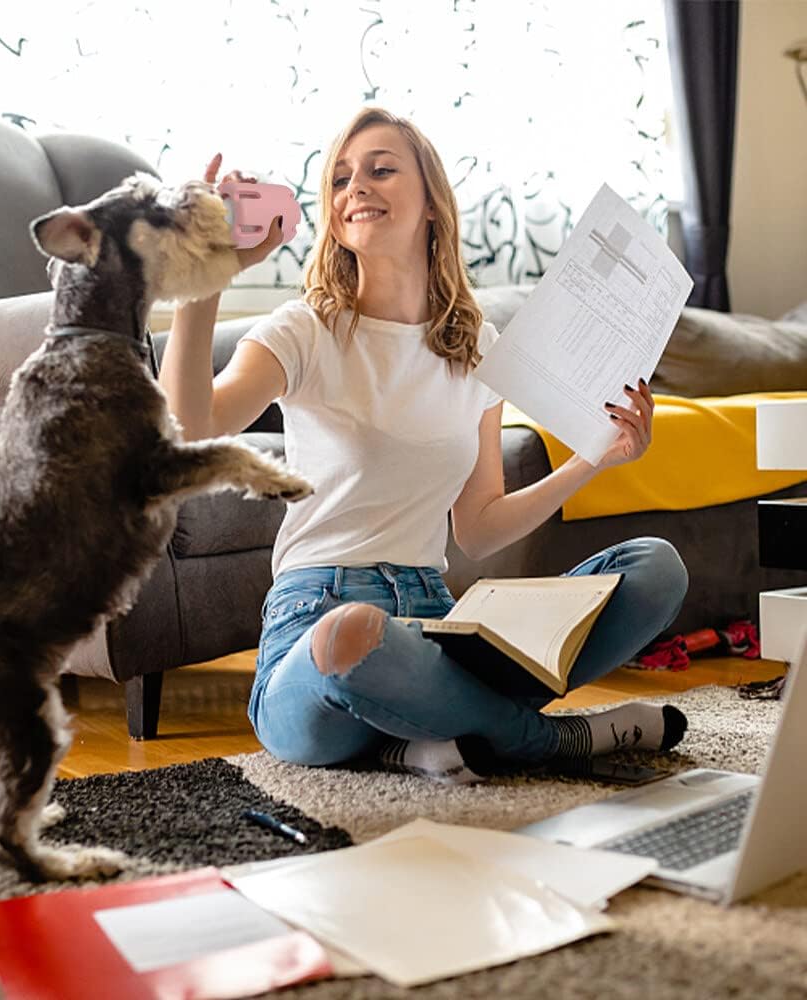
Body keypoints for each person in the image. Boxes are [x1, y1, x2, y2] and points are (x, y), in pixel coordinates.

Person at [159, 107, 689, 785]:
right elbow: (191, 428)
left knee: (654, 568)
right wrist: (203, 281)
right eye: (341, 179)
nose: (357, 187)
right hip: (322, 625)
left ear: (433, 203)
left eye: (382, 169)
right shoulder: (304, 331)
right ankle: (545, 741)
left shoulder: (476, 351)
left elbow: (480, 527)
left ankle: (427, 734)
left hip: (438, 625)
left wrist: (596, 457)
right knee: (353, 635)